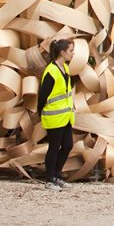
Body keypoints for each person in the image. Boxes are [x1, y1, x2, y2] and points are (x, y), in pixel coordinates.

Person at [37, 38, 75, 191]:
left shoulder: (65, 68)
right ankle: (50, 178)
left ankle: (57, 175)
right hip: (53, 115)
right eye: (71, 51)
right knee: (54, 147)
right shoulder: (51, 71)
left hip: (65, 115)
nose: (73, 54)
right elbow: (42, 96)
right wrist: (41, 113)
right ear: (62, 52)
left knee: (67, 145)